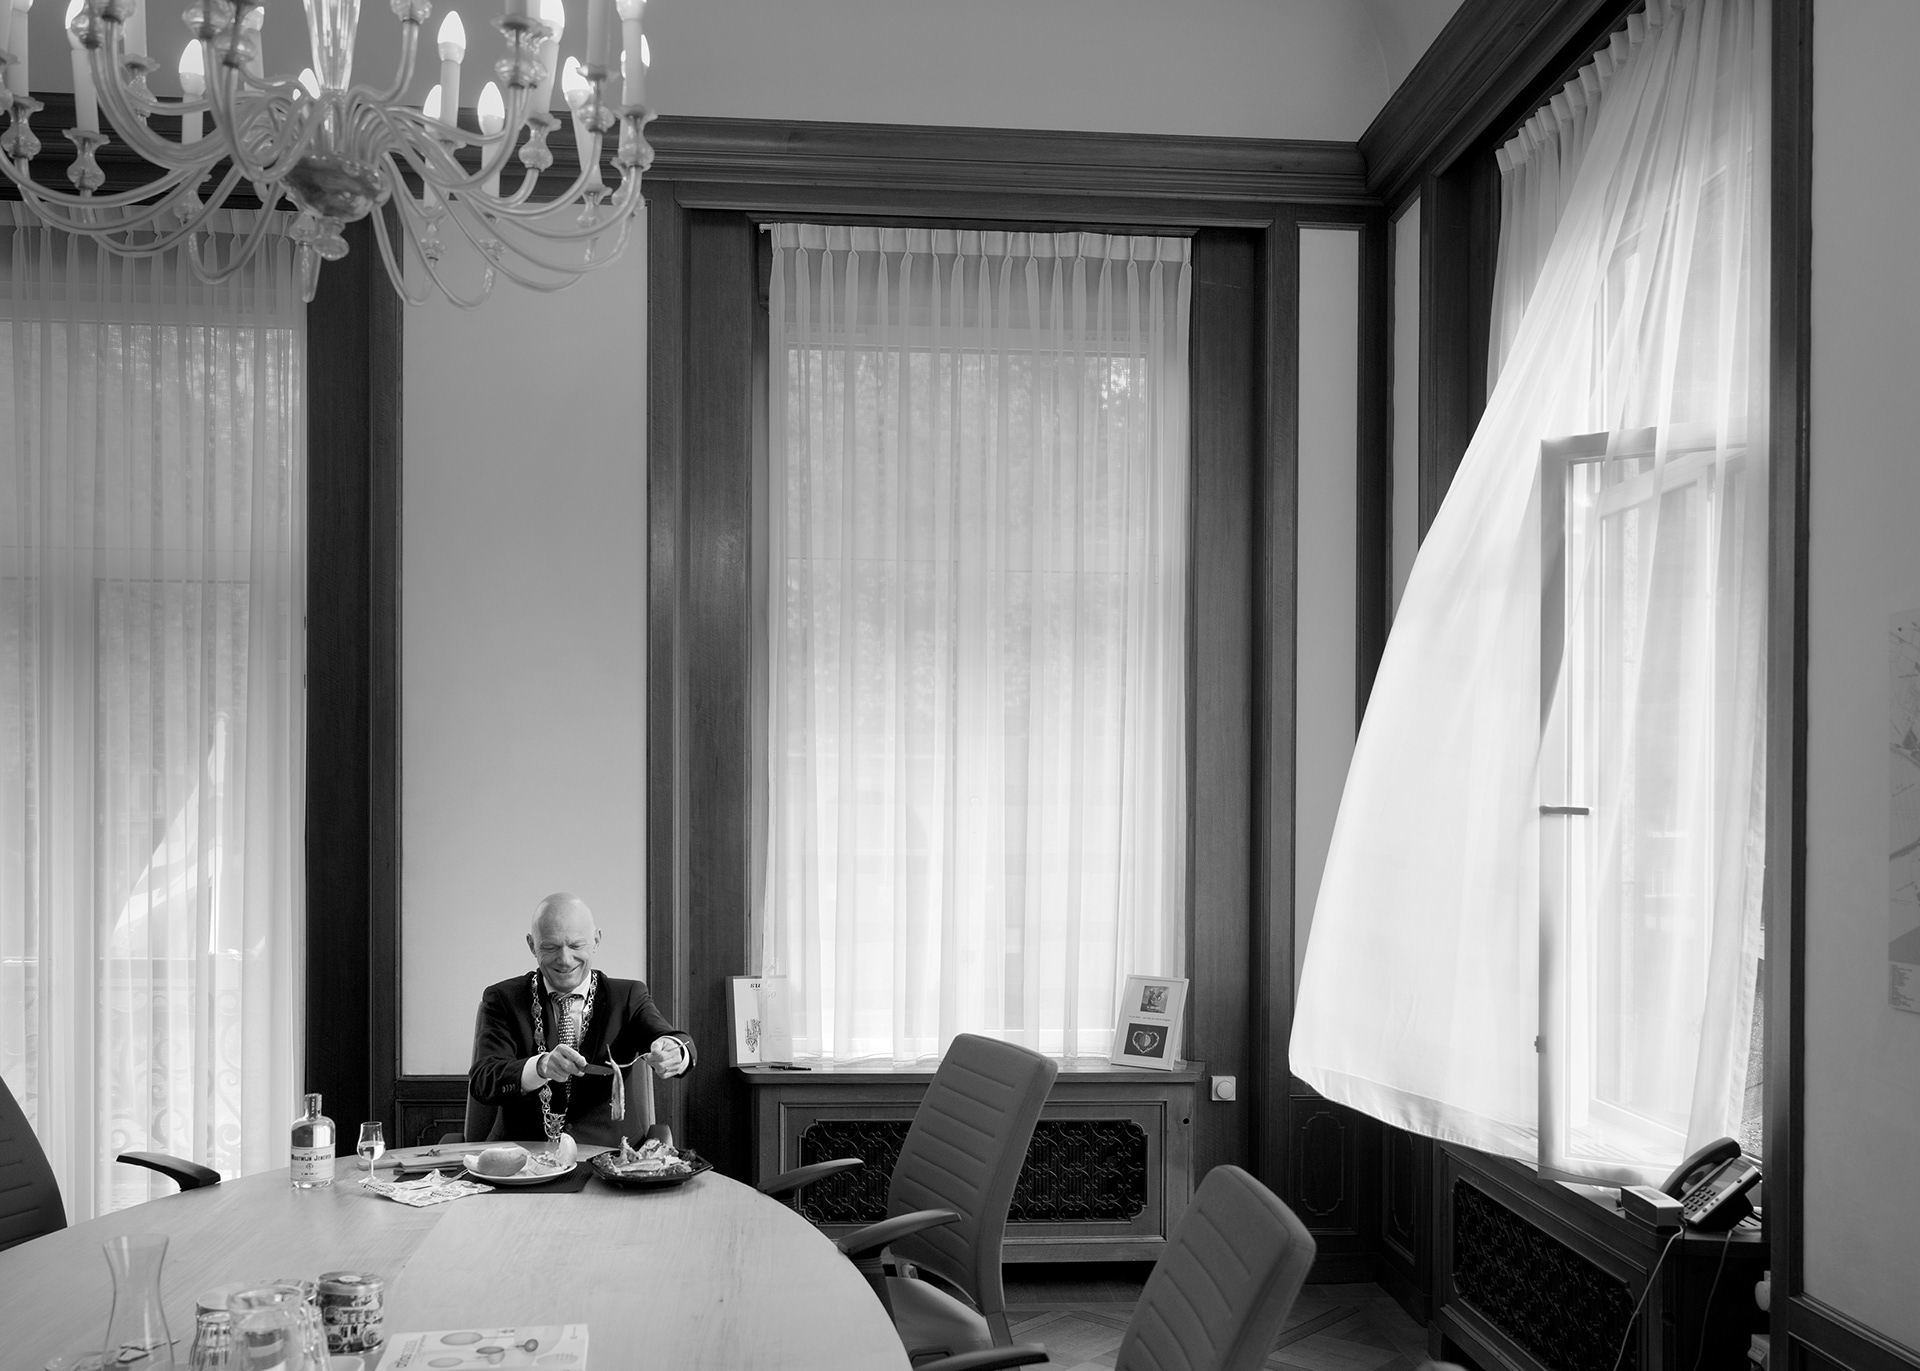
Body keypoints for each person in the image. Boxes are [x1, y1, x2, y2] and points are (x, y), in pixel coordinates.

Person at [469, 892, 695, 1147]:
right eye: (550, 947)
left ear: (596, 940)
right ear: (532, 945)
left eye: (576, 946)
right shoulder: (503, 999)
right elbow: (483, 1080)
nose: (565, 960)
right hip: (523, 1154)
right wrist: (540, 1067)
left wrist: (677, 1051)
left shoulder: (628, 996)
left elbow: (674, 1039)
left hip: (609, 1154)